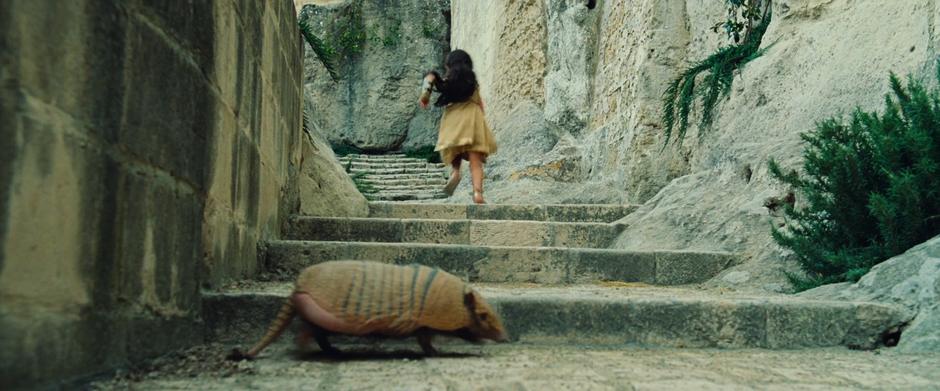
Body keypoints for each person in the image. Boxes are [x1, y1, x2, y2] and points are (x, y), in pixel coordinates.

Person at [419, 50, 497, 204]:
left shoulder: (448, 82)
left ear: (450, 65)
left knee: (455, 150)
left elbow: (429, 81)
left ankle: (455, 172)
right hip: (472, 118)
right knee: (476, 161)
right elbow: (480, 104)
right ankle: (477, 193)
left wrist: (427, 88)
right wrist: (481, 119)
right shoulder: (471, 82)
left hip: (453, 119)